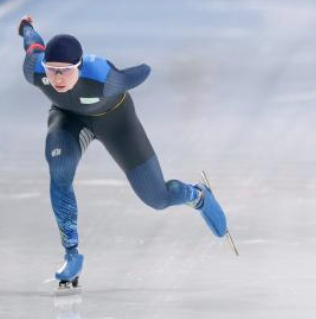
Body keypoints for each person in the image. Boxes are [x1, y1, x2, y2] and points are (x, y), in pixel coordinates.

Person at [18, 15, 227, 290]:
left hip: (117, 122)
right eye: (52, 69)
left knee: (158, 199)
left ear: (79, 67)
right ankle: (72, 255)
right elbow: (33, 45)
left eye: (65, 71)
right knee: (59, 173)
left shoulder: (105, 78)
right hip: (68, 119)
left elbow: (139, 73)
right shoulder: (34, 70)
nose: (57, 78)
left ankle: (196, 195)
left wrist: (151, 65)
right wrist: (27, 28)